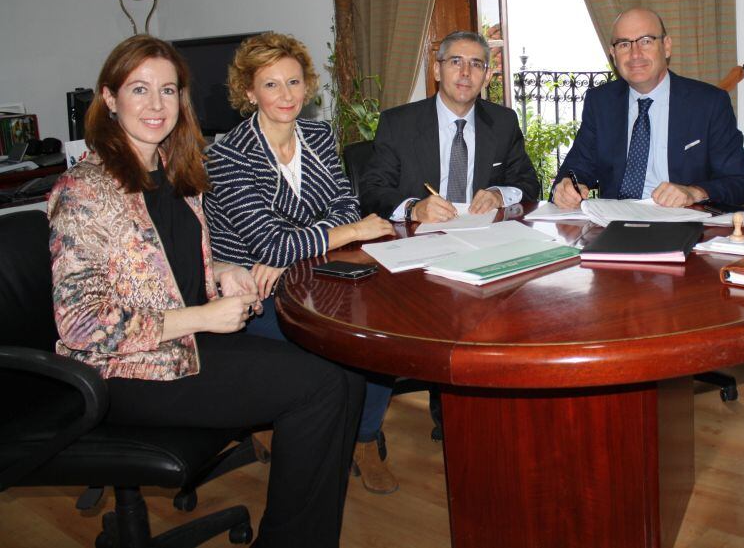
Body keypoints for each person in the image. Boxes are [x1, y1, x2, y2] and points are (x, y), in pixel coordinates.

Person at [49, 35, 362, 547]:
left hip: (187, 343)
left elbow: (166, 262)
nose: (156, 105)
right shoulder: (83, 191)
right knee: (321, 385)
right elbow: (83, 326)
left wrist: (223, 267)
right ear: (109, 99)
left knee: (344, 375)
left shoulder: (174, 169)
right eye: (140, 89)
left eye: (168, 90)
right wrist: (202, 318)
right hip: (129, 369)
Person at [203, 32, 398, 494]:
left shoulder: (317, 135)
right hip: (251, 293)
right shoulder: (228, 155)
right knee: (342, 346)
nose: (286, 95)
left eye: (294, 82)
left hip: (309, 274)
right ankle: (312, 435)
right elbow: (271, 247)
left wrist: (298, 244)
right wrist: (347, 233)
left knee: (381, 330)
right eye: (271, 85)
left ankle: (364, 439)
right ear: (249, 92)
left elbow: (345, 203)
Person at [551, 7, 744, 208]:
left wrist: (694, 192)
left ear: (666, 46)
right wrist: (567, 189)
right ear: (613, 54)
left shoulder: (708, 103)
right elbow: (574, 171)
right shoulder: (601, 102)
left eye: (646, 41)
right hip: (614, 224)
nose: (635, 54)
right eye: (624, 44)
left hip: (681, 224)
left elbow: (740, 183)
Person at [358, 29, 540, 222]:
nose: (465, 72)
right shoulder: (398, 124)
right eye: (455, 62)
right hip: (418, 239)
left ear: (487, 77)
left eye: (476, 64)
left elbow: (528, 184)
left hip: (483, 236)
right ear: (437, 71)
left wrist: (498, 195)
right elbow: (372, 191)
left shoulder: (503, 122)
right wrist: (414, 208)